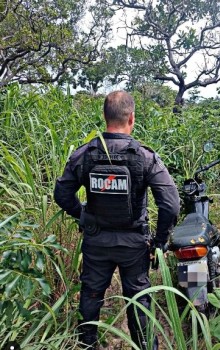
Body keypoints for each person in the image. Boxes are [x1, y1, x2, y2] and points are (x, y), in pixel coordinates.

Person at [54, 91, 180, 350]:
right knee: (138, 300)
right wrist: (158, 241)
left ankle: (87, 345)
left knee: (90, 295)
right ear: (132, 117)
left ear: (104, 116)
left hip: (96, 241)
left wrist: (83, 216)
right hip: (134, 245)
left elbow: (62, 194)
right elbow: (170, 204)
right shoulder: (145, 157)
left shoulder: (85, 154)